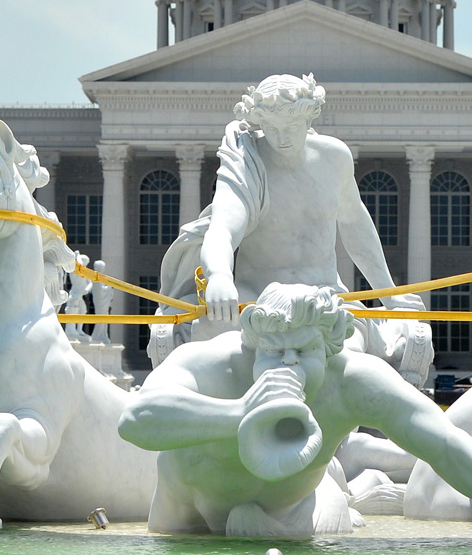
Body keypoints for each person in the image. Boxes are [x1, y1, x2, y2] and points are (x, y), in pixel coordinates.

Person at [119, 282, 472, 541]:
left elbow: (443, 444)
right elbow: (137, 419)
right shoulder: (214, 363)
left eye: (302, 352)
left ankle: (348, 492)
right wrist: (240, 411)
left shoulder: (354, 381)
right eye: (272, 351)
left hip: (287, 523)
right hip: (186, 522)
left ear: (330, 348)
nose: (286, 365)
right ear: (253, 345)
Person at [152, 75, 431, 385]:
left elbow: (355, 225)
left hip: (325, 298)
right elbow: (223, 229)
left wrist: (390, 294)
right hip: (253, 297)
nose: (281, 139)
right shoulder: (247, 161)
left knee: (348, 364)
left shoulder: (334, 157)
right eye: (272, 130)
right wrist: (218, 275)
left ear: (309, 117)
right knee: (216, 347)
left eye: (291, 129)